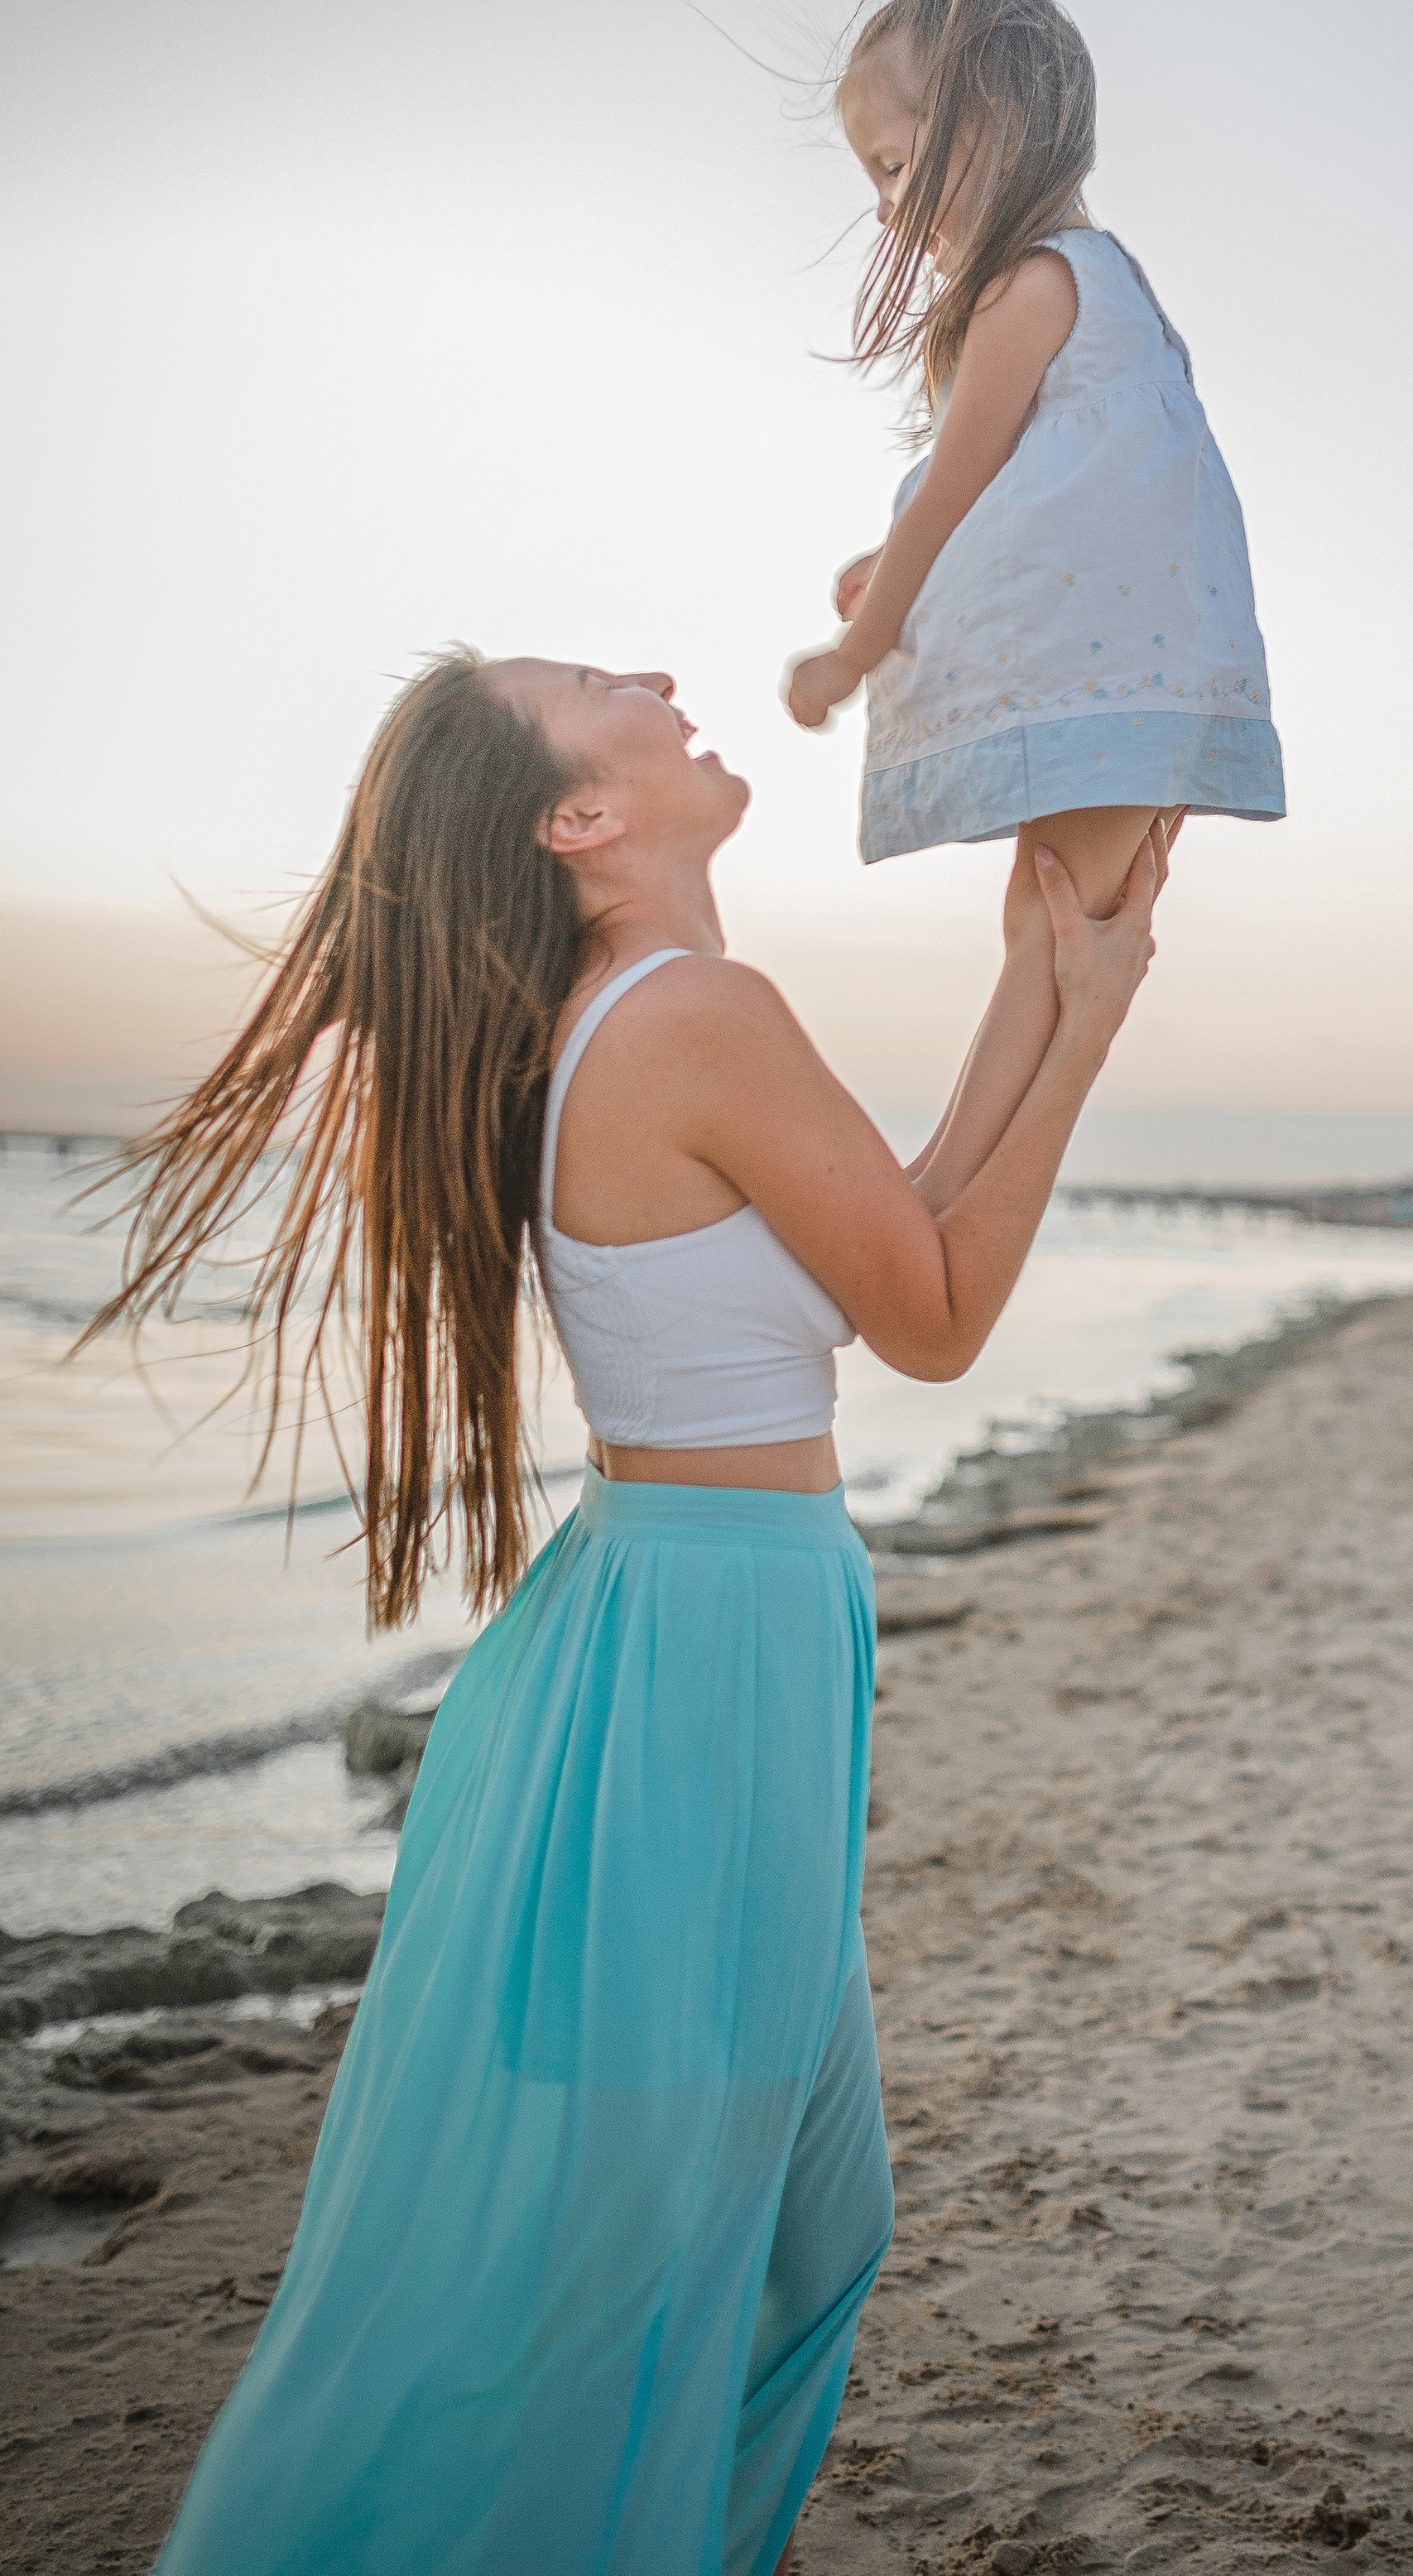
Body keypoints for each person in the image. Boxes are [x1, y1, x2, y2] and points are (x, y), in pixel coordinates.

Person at [88, 649, 1170, 2576]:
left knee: (767, 2231)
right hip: (700, 1653)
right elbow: (931, 1315)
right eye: (604, 685)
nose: (663, 675)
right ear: (578, 820)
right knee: (643, 2266)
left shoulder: (641, 1016)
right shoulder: (690, 1013)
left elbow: (882, 1235)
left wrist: (1047, 977)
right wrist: (1078, 1035)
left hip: (687, 1628)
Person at [781, 0, 1283, 1193]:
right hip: (1145, 665)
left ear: (994, 118)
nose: (889, 207)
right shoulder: (1106, 286)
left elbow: (958, 489)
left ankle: (938, 1193)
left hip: (1111, 675)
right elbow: (1047, 499)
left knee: (1046, 930)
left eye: (897, 163)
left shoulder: (1031, 285)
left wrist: (856, 651)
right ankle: (941, 1178)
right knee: (1050, 928)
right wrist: (888, 566)